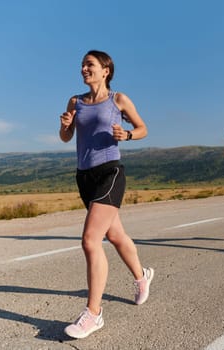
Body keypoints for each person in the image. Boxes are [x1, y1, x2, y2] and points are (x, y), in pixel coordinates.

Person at [59, 50, 154, 339]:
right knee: (115, 235)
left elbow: (143, 129)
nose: (84, 69)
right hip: (84, 176)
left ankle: (94, 313)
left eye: (90, 65)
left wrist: (126, 135)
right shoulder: (75, 102)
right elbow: (66, 137)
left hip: (110, 173)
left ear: (105, 70)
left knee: (90, 240)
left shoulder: (118, 100)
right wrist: (65, 127)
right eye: (82, 65)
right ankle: (142, 276)